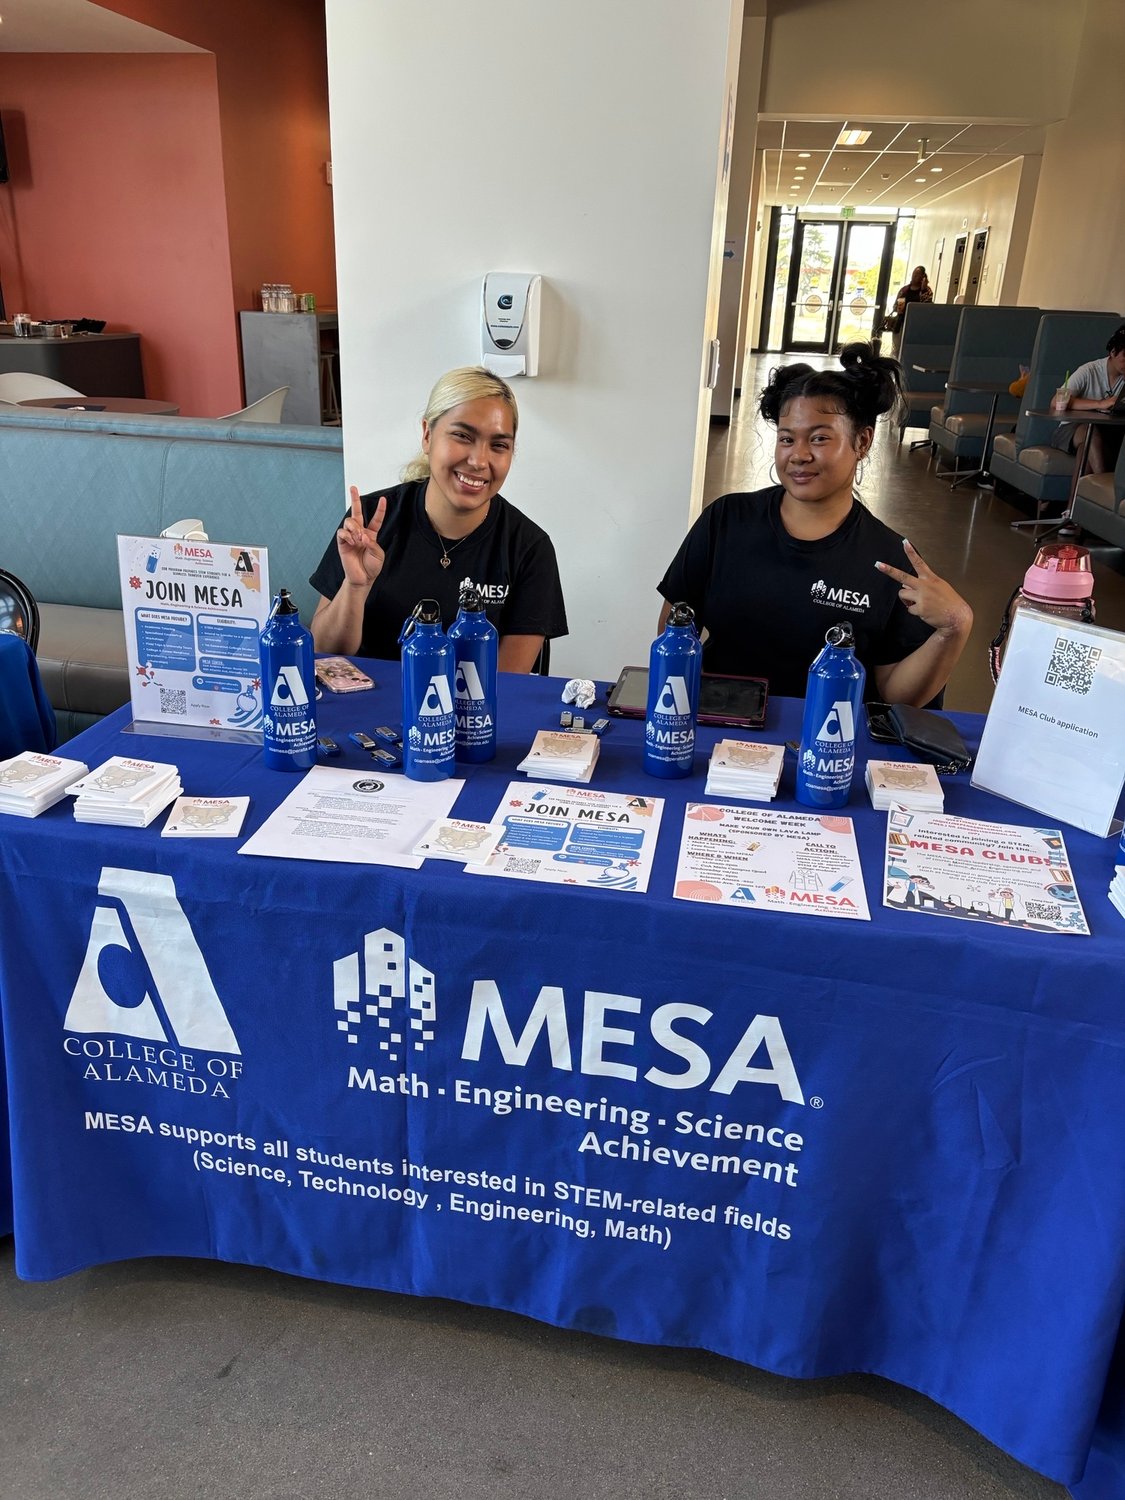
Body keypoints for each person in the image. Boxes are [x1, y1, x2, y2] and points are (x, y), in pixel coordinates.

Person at [657, 343, 974, 705]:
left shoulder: (889, 560)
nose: (799, 455)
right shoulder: (727, 519)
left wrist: (954, 628)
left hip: (826, 744)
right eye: (787, 439)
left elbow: (897, 698)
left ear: (862, 441)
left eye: (820, 438)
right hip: (724, 729)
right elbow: (675, 627)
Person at [310, 366, 567, 672]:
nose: (478, 461)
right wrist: (355, 587)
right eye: (462, 435)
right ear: (428, 435)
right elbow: (324, 654)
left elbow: (506, 686)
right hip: (364, 710)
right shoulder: (367, 524)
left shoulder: (529, 549)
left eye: (499, 445)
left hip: (468, 717)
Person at [1051, 323, 1125, 476]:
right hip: (1071, 430)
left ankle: (1075, 500)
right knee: (1089, 432)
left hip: (1108, 433)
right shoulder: (1089, 371)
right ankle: (1102, 487)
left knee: (1085, 451)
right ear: (1113, 352)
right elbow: (1055, 401)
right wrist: (1100, 403)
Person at [889, 265, 933, 357]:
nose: (914, 276)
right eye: (913, 274)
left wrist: (923, 289)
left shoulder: (926, 291)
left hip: (916, 325)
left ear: (923, 277)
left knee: (909, 351)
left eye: (917, 274)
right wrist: (897, 308)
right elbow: (895, 305)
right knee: (896, 349)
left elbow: (928, 306)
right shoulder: (904, 290)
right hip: (901, 322)